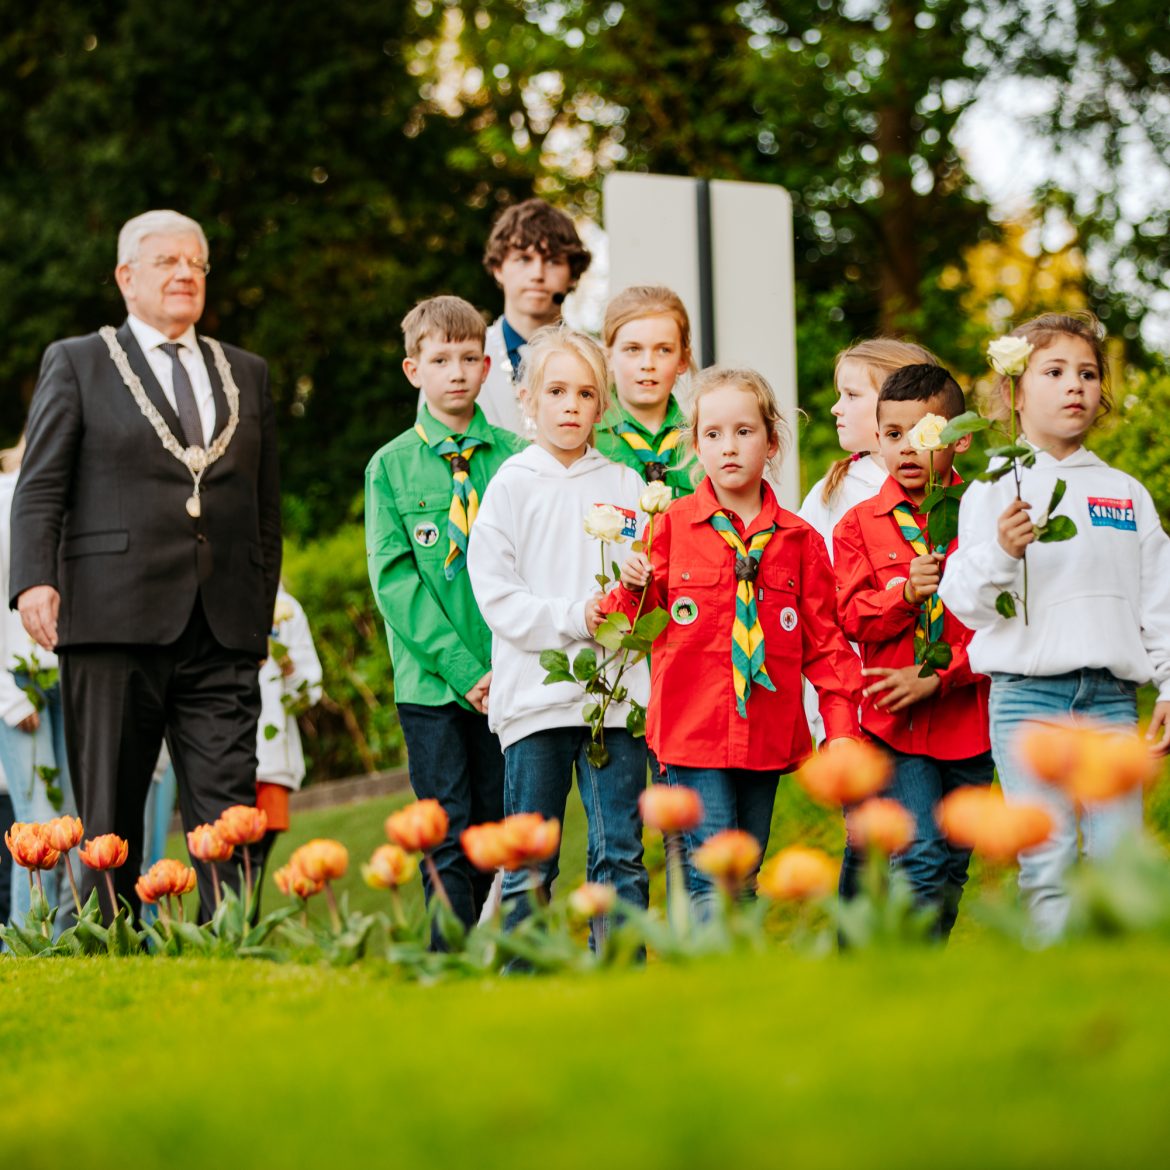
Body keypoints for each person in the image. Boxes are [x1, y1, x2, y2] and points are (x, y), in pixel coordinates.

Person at [9, 209, 281, 922]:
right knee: (109, 817)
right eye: (167, 261)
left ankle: (231, 947)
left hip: (222, 629)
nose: (186, 272)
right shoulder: (76, 362)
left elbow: (264, 511)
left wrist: (256, 613)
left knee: (229, 808)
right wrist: (34, 579)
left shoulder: (246, 372)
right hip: (110, 618)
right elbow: (40, 484)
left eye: (196, 261)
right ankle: (107, 943)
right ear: (127, 278)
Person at [939, 311, 1170, 941]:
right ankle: (1056, 986)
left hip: (1112, 703)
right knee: (1049, 859)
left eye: (1088, 374)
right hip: (1027, 699)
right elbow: (965, 602)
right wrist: (1002, 552)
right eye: (1056, 371)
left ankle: (1112, 990)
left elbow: (1159, 600)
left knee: (1118, 857)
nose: (1076, 386)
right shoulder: (993, 487)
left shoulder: (1124, 493)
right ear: (1015, 390)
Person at [608, 367, 862, 911]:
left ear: (771, 442)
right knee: (711, 878)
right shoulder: (670, 526)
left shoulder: (799, 541)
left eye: (745, 432)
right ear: (695, 445)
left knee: (743, 876)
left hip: (765, 736)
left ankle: (729, 988)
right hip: (690, 734)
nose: (729, 447)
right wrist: (632, 587)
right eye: (714, 434)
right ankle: (718, 982)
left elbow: (828, 648)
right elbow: (630, 624)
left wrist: (840, 730)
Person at [467, 325, 650, 943]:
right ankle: (527, 983)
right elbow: (499, 598)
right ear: (527, 399)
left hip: (616, 702)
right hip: (537, 703)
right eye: (557, 392)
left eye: (586, 394)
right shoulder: (510, 487)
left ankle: (620, 982)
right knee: (530, 860)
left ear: (602, 405)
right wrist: (577, 616)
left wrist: (638, 586)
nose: (571, 406)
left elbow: (645, 585)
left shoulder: (626, 486)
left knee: (619, 851)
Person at [367, 295, 526, 945]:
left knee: (495, 824)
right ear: (414, 370)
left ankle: (488, 949)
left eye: (468, 358)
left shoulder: (519, 459)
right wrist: (465, 672)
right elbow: (395, 582)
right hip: (432, 688)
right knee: (446, 823)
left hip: (510, 678)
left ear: (488, 366)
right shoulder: (389, 467)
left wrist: (498, 671)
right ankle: (448, 960)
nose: (456, 372)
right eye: (440, 360)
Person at [833, 363, 992, 938]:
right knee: (919, 857)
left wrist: (942, 674)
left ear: (960, 438)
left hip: (969, 722)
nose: (906, 448)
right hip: (892, 725)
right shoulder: (857, 525)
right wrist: (903, 593)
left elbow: (1001, 623)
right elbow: (849, 617)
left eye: (923, 434)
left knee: (951, 867)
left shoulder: (983, 517)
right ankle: (902, 983)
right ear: (877, 438)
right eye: (892, 434)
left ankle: (917, 974)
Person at [0, 437, 79, 926]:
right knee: (38, 825)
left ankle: (67, 947)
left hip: (70, 678)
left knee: (71, 825)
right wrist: (7, 696)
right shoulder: (6, 494)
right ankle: (30, 947)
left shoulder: (80, 497)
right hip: (18, 681)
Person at [474, 199, 592, 434]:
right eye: (523, 259)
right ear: (498, 268)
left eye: (553, 261)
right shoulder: (461, 358)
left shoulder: (601, 361)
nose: (537, 274)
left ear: (572, 275)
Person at [595, 285, 697, 497]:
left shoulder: (702, 443)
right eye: (633, 349)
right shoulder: (586, 439)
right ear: (608, 357)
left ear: (682, 359)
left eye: (663, 350)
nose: (647, 364)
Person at [255, 585, 323, 873]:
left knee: (254, 865)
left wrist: (288, 667)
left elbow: (311, 690)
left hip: (270, 758)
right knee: (225, 867)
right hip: (219, 756)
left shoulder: (286, 608)